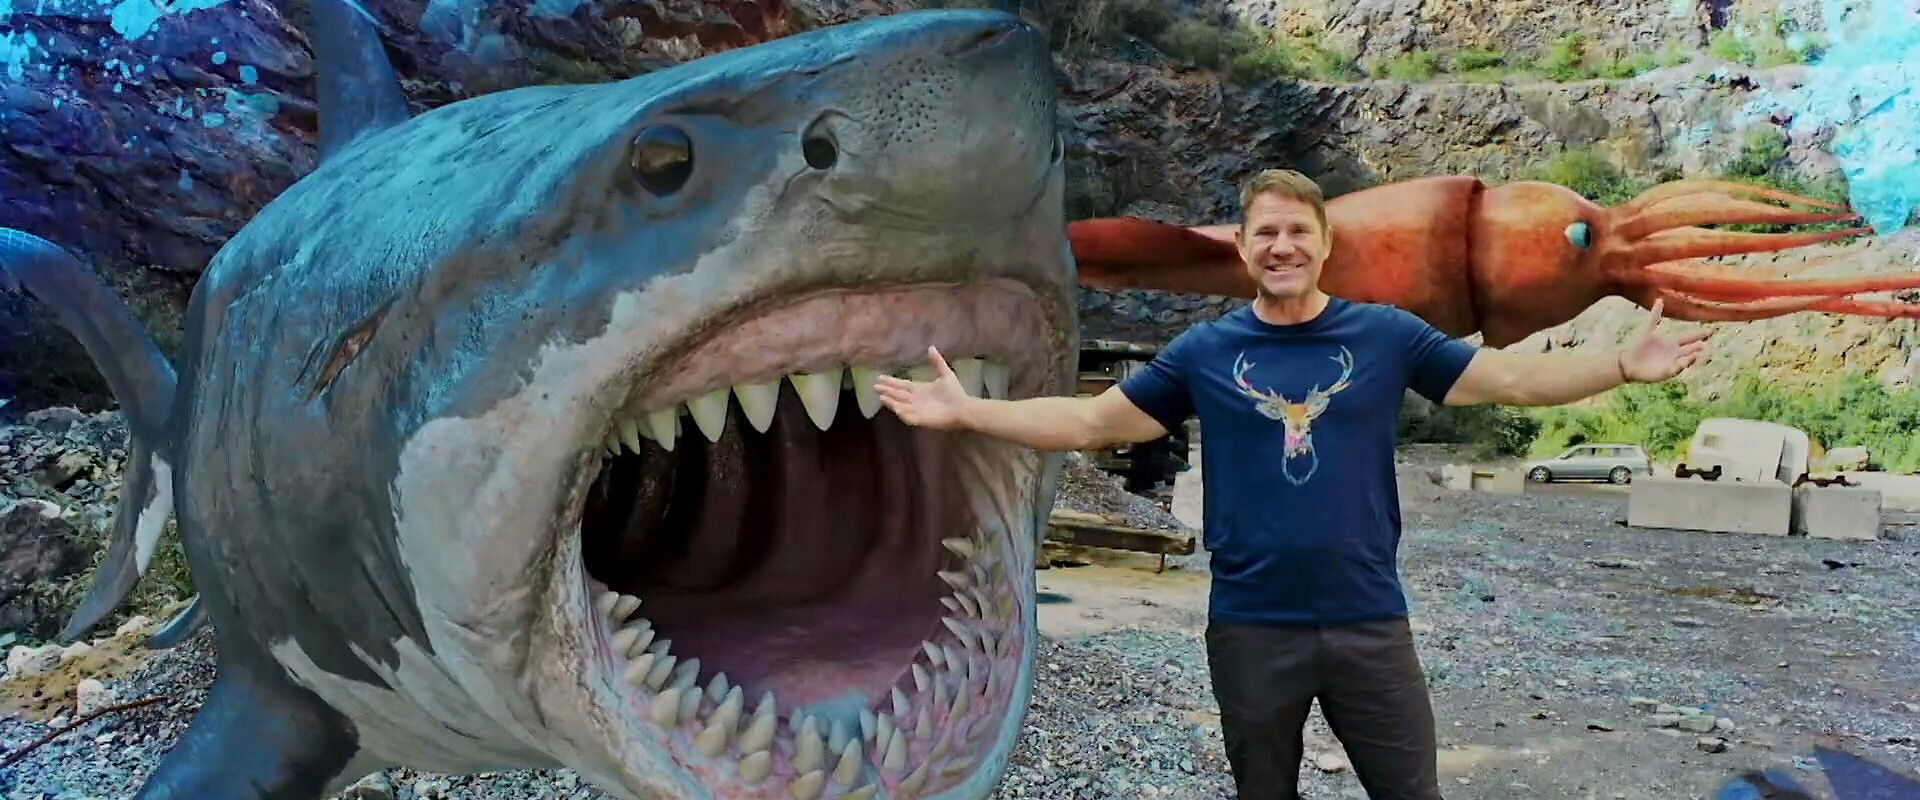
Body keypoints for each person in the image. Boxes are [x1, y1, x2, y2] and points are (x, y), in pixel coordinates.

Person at [872, 167, 1711, 800]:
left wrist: (1619, 367)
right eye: (1266, 233)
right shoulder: (1205, 352)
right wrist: (968, 411)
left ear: (1325, 244)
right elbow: (1093, 423)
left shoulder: (1387, 336)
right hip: (1251, 627)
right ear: (1243, 248)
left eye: (1299, 232)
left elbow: (1512, 381)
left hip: (1369, 622)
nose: (1283, 247)